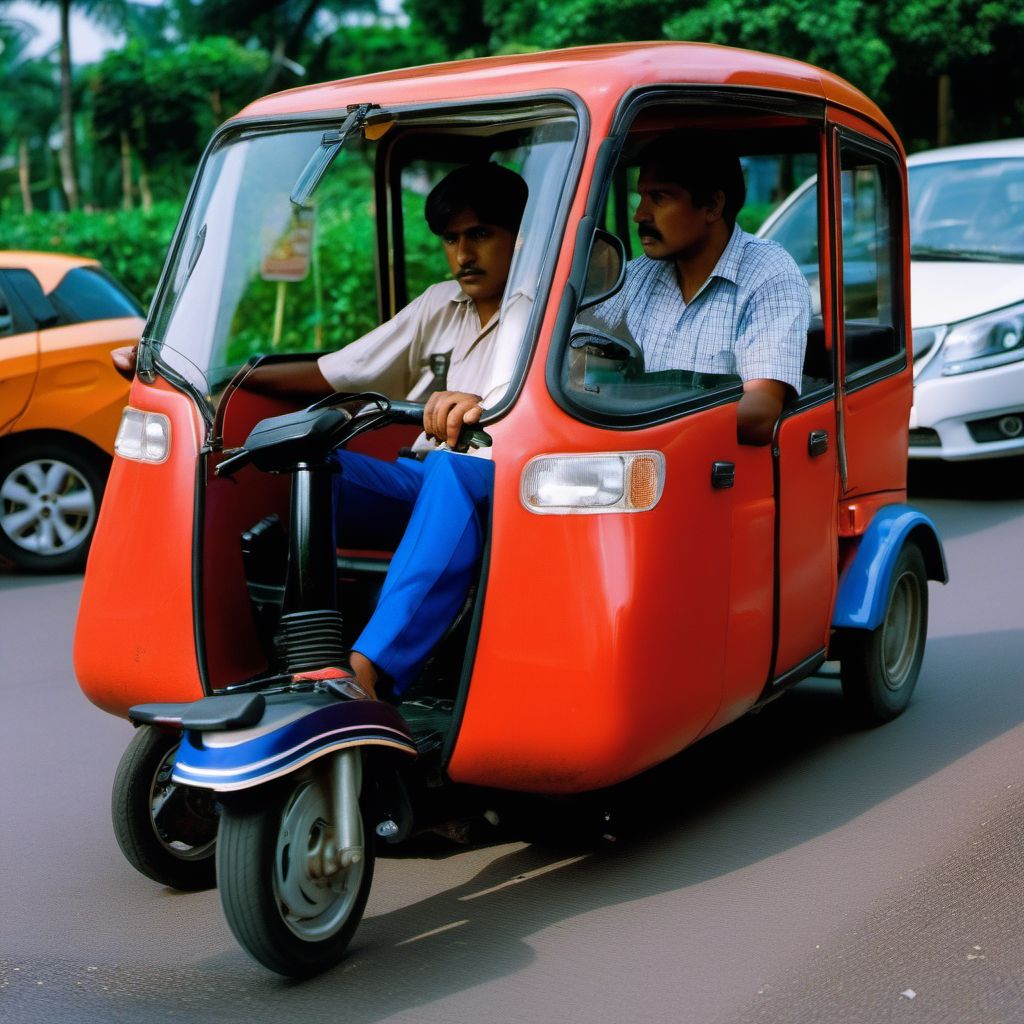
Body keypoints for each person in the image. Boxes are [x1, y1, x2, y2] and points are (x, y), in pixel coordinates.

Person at [114, 163, 529, 700]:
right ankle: (301, 651)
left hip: (508, 487)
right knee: (318, 466)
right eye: (452, 239)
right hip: (425, 478)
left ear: (520, 239)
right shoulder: (438, 303)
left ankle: (369, 669)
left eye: (480, 235)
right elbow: (337, 370)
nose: (463, 255)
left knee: (451, 467)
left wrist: (484, 405)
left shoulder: (547, 309)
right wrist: (203, 374)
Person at [593, 130, 811, 444]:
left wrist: (651, 434)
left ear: (711, 205)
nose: (640, 214)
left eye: (660, 197)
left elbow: (761, 411)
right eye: (641, 197)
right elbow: (579, 351)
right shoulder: (640, 274)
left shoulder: (769, 274)